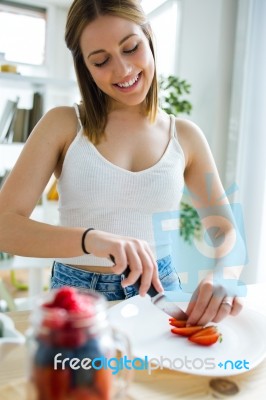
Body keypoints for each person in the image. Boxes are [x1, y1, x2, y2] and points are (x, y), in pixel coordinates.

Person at [0, 0, 244, 326]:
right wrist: (93, 239)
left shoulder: (185, 135)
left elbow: (225, 230)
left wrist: (224, 275)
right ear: (84, 66)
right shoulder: (64, 124)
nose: (123, 70)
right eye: (101, 61)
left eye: (131, 48)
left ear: (148, 37)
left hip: (162, 292)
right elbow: (5, 226)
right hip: (80, 296)